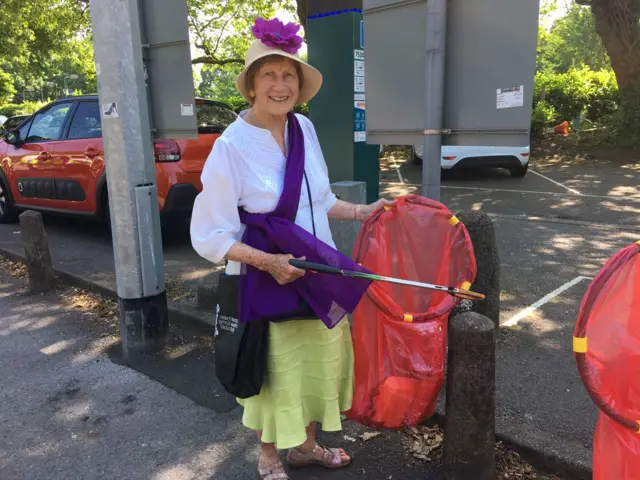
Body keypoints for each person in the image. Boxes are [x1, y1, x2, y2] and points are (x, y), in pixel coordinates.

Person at [190, 17, 394, 480]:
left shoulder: (304, 127)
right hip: (268, 277)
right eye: (269, 74)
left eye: (289, 76)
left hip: (316, 276)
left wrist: (364, 212)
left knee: (319, 366)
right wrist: (267, 261)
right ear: (251, 86)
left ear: (299, 86)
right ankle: (267, 457)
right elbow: (211, 235)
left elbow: (319, 199)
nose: (280, 85)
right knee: (277, 374)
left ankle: (305, 447)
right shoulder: (230, 147)